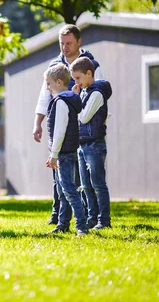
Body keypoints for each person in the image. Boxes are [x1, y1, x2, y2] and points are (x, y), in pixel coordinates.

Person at [33, 24, 103, 225]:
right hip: (63, 133)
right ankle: (59, 216)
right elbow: (43, 96)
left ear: (79, 42)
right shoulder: (54, 67)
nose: (65, 47)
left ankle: (89, 217)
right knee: (61, 179)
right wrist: (37, 123)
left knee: (83, 177)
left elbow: (99, 94)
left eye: (69, 43)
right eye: (62, 43)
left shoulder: (90, 63)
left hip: (85, 128)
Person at [44, 63, 88, 237]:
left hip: (63, 152)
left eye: (48, 83)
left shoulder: (61, 102)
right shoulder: (67, 99)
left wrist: (54, 155)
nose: (47, 87)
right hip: (66, 151)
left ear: (59, 82)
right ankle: (63, 224)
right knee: (63, 190)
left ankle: (81, 226)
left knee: (69, 189)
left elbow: (59, 131)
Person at [70, 57, 113, 230]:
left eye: (78, 78)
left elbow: (83, 116)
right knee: (86, 185)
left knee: (98, 184)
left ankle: (104, 220)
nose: (77, 82)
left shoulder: (96, 93)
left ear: (89, 73)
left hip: (94, 145)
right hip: (83, 143)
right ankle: (92, 217)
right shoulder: (85, 91)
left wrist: (75, 99)